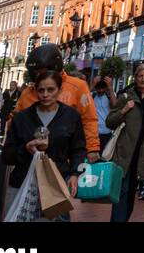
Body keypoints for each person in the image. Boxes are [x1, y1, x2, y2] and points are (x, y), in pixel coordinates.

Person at [8, 70, 87, 221]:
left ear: (59, 90)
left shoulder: (71, 116)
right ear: (35, 91)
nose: (45, 94)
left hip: (56, 185)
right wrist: (25, 149)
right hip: (24, 184)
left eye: (51, 89)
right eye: (41, 90)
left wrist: (75, 174)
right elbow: (7, 154)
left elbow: (78, 149)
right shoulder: (22, 118)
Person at [13, 44, 101, 160]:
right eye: (36, 73)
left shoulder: (77, 87)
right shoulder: (28, 93)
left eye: (42, 72)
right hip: (31, 156)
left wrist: (92, 148)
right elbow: (15, 123)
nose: (39, 76)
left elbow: (88, 119)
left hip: (64, 155)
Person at [105, 64, 144, 222]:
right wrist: (124, 110)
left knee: (132, 194)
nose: (143, 79)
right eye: (140, 76)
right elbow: (110, 122)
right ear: (135, 78)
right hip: (125, 153)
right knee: (122, 192)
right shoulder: (126, 96)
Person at [92, 75, 115, 154]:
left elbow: (115, 106)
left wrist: (110, 87)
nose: (101, 90)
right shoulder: (92, 95)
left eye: (103, 88)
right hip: (93, 133)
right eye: (98, 88)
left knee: (104, 157)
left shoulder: (110, 96)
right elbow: (83, 102)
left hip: (106, 132)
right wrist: (93, 85)